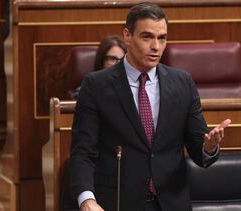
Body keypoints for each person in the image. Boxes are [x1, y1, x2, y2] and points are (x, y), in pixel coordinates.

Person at [68, 2, 231, 211]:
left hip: (171, 203)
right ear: (127, 35)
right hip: (118, 202)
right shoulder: (96, 85)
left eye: (161, 38)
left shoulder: (182, 83)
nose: (156, 46)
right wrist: (86, 199)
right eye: (147, 37)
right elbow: (83, 151)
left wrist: (208, 147)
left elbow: (198, 148)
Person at [71, 35, 127, 100]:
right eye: (112, 59)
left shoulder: (132, 87)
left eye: (123, 59)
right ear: (101, 60)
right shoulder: (89, 87)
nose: (118, 63)